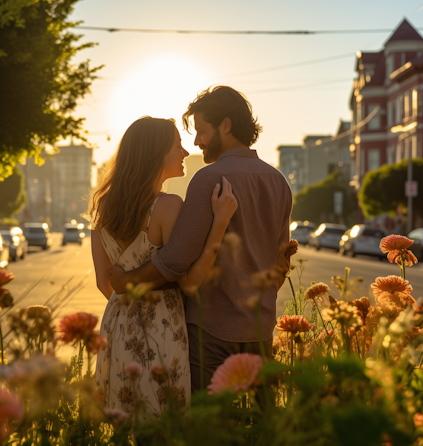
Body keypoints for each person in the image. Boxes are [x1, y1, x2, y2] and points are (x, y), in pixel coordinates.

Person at [108, 86, 293, 393]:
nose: (196, 142)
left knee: (208, 428)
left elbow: (177, 258)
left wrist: (128, 281)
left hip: (210, 335)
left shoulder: (209, 178)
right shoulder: (278, 182)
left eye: (202, 131)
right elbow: (281, 261)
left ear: (226, 125)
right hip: (260, 331)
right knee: (257, 428)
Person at [88, 116, 238, 417]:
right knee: (164, 421)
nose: (185, 152)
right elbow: (188, 281)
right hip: (162, 326)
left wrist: (129, 307)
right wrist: (220, 222)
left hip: (117, 325)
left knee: (124, 418)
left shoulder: (102, 206)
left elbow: (104, 283)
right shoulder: (168, 206)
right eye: (177, 145)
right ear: (155, 152)